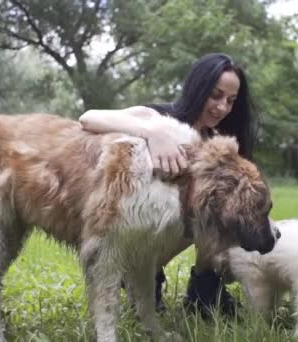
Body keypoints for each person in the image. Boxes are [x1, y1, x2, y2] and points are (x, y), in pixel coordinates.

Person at [78, 52, 257, 318]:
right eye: (215, 95)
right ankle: (144, 281)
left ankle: (204, 290)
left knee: (218, 210)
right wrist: (154, 132)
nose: (222, 107)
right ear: (199, 88)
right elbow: (88, 117)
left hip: (175, 234)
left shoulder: (218, 141)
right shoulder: (156, 117)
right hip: (134, 232)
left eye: (231, 101)